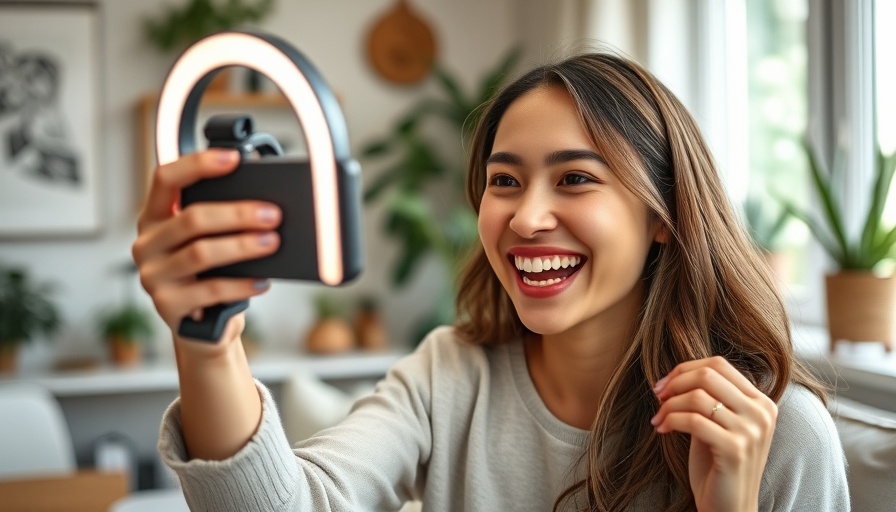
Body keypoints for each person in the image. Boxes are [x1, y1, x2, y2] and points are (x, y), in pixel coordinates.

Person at [132, 51, 849, 511]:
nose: (526, 216)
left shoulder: (778, 433)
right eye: (504, 180)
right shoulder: (451, 375)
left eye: (574, 179)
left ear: (662, 215)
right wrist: (207, 343)